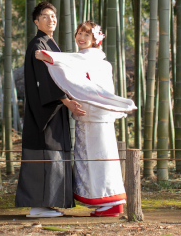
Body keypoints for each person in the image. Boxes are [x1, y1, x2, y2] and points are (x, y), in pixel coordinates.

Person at [35, 21, 136, 217]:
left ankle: (110, 201)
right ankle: (108, 201)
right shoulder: (92, 59)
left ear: (95, 39)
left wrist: (48, 56)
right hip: (90, 116)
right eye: (79, 34)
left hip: (95, 117)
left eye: (87, 35)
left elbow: (68, 62)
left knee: (99, 159)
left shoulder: (90, 59)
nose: (81, 38)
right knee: (95, 158)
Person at [15, 2, 85, 218]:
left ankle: (49, 204)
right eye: (45, 16)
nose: (51, 19)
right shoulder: (38, 44)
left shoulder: (51, 43)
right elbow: (45, 79)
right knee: (46, 154)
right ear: (36, 22)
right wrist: (66, 101)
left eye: (53, 16)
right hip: (44, 111)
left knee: (55, 154)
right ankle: (38, 206)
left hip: (54, 108)